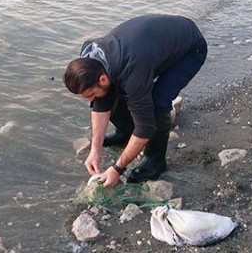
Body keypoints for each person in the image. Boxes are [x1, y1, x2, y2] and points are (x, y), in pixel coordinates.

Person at [63, 14, 207, 188]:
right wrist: (95, 150)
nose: (90, 101)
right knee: (108, 93)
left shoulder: (132, 72)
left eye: (89, 95)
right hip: (150, 47)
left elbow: (145, 127)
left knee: (157, 103)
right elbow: (101, 103)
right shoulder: (89, 57)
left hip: (190, 49)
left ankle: (155, 162)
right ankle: (126, 132)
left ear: (101, 79)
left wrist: (117, 168)